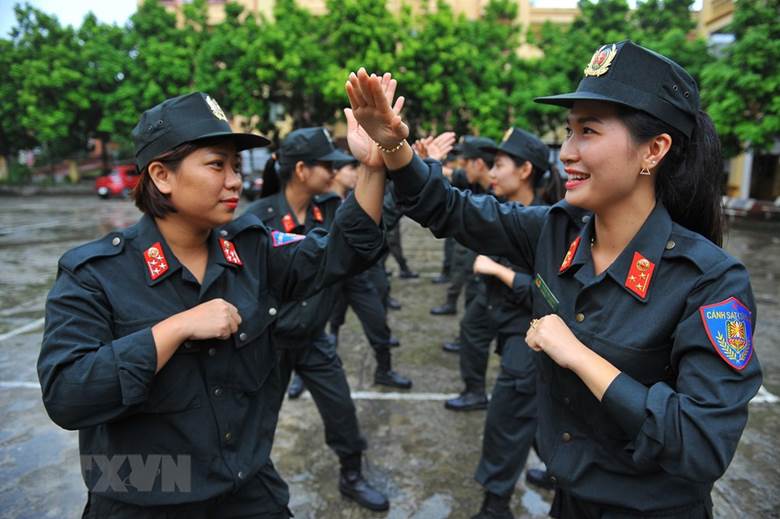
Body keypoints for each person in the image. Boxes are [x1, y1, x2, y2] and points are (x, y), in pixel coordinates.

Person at [346, 40, 762, 518]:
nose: (566, 152)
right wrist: (394, 145)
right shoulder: (557, 230)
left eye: (588, 131)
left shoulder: (709, 281)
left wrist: (579, 355)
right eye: (568, 131)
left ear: (654, 149)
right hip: (568, 501)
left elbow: (702, 445)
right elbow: (448, 208)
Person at [38, 91, 386, 518]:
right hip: (144, 495)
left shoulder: (251, 248)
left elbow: (344, 249)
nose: (235, 180)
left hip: (244, 483)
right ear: (162, 175)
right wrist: (175, 328)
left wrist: (373, 165)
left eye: (236, 166)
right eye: (217, 164)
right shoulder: (94, 273)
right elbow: (67, 395)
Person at [244, 126, 390, 512]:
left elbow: (364, 231)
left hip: (313, 339)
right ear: (301, 170)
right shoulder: (258, 219)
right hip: (270, 343)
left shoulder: (330, 208)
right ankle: (246, 485)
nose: (332, 172)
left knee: (340, 408)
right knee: (256, 422)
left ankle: (352, 475)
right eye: (326, 165)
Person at [464, 128, 563, 518]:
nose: (492, 172)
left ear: (525, 170)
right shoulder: (503, 213)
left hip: (535, 333)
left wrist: (501, 274)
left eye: (500, 165)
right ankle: (560, 469)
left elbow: (552, 294)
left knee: (507, 413)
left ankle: (495, 505)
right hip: (504, 320)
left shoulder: (553, 226)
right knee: (534, 412)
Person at [328, 157, 412, 389]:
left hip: (358, 276)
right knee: (321, 328)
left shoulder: (357, 199)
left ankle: (384, 372)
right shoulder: (320, 203)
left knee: (378, 325)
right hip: (331, 278)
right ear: (335, 173)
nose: (355, 173)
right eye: (350, 168)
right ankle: (305, 376)